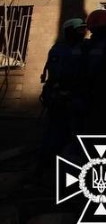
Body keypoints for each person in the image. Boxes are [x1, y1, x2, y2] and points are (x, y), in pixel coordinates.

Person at [37, 18, 87, 171]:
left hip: (76, 97)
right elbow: (57, 73)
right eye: (79, 30)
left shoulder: (84, 47)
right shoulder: (60, 49)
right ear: (69, 31)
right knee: (56, 131)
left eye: (83, 29)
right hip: (60, 97)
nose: (83, 33)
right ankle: (47, 164)